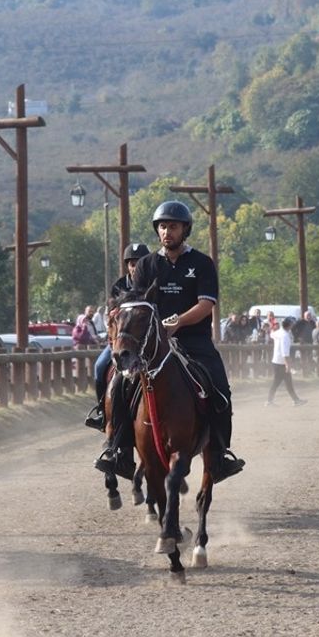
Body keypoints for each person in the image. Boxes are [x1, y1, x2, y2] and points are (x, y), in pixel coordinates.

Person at [98, 200, 245, 483]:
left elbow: (205, 305)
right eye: (163, 227)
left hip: (194, 341)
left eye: (173, 227)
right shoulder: (145, 265)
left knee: (221, 392)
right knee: (117, 386)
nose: (167, 232)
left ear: (185, 230)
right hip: (150, 346)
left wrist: (178, 322)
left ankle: (219, 455)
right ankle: (120, 452)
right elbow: (134, 302)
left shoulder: (201, 264)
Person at [85, 242, 149, 430]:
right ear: (127, 265)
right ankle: (102, 412)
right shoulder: (119, 286)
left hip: (147, 339)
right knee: (99, 366)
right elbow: (110, 316)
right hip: (122, 339)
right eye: (131, 263)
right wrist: (114, 338)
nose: (135, 266)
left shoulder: (154, 284)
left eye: (139, 262)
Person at [265, 317, 306, 407]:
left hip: (277, 361)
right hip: (281, 363)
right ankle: (269, 401)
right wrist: (288, 365)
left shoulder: (279, 333)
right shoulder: (285, 336)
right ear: (290, 325)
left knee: (286, 382)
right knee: (278, 382)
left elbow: (272, 334)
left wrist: (272, 328)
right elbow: (285, 353)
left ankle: (296, 400)